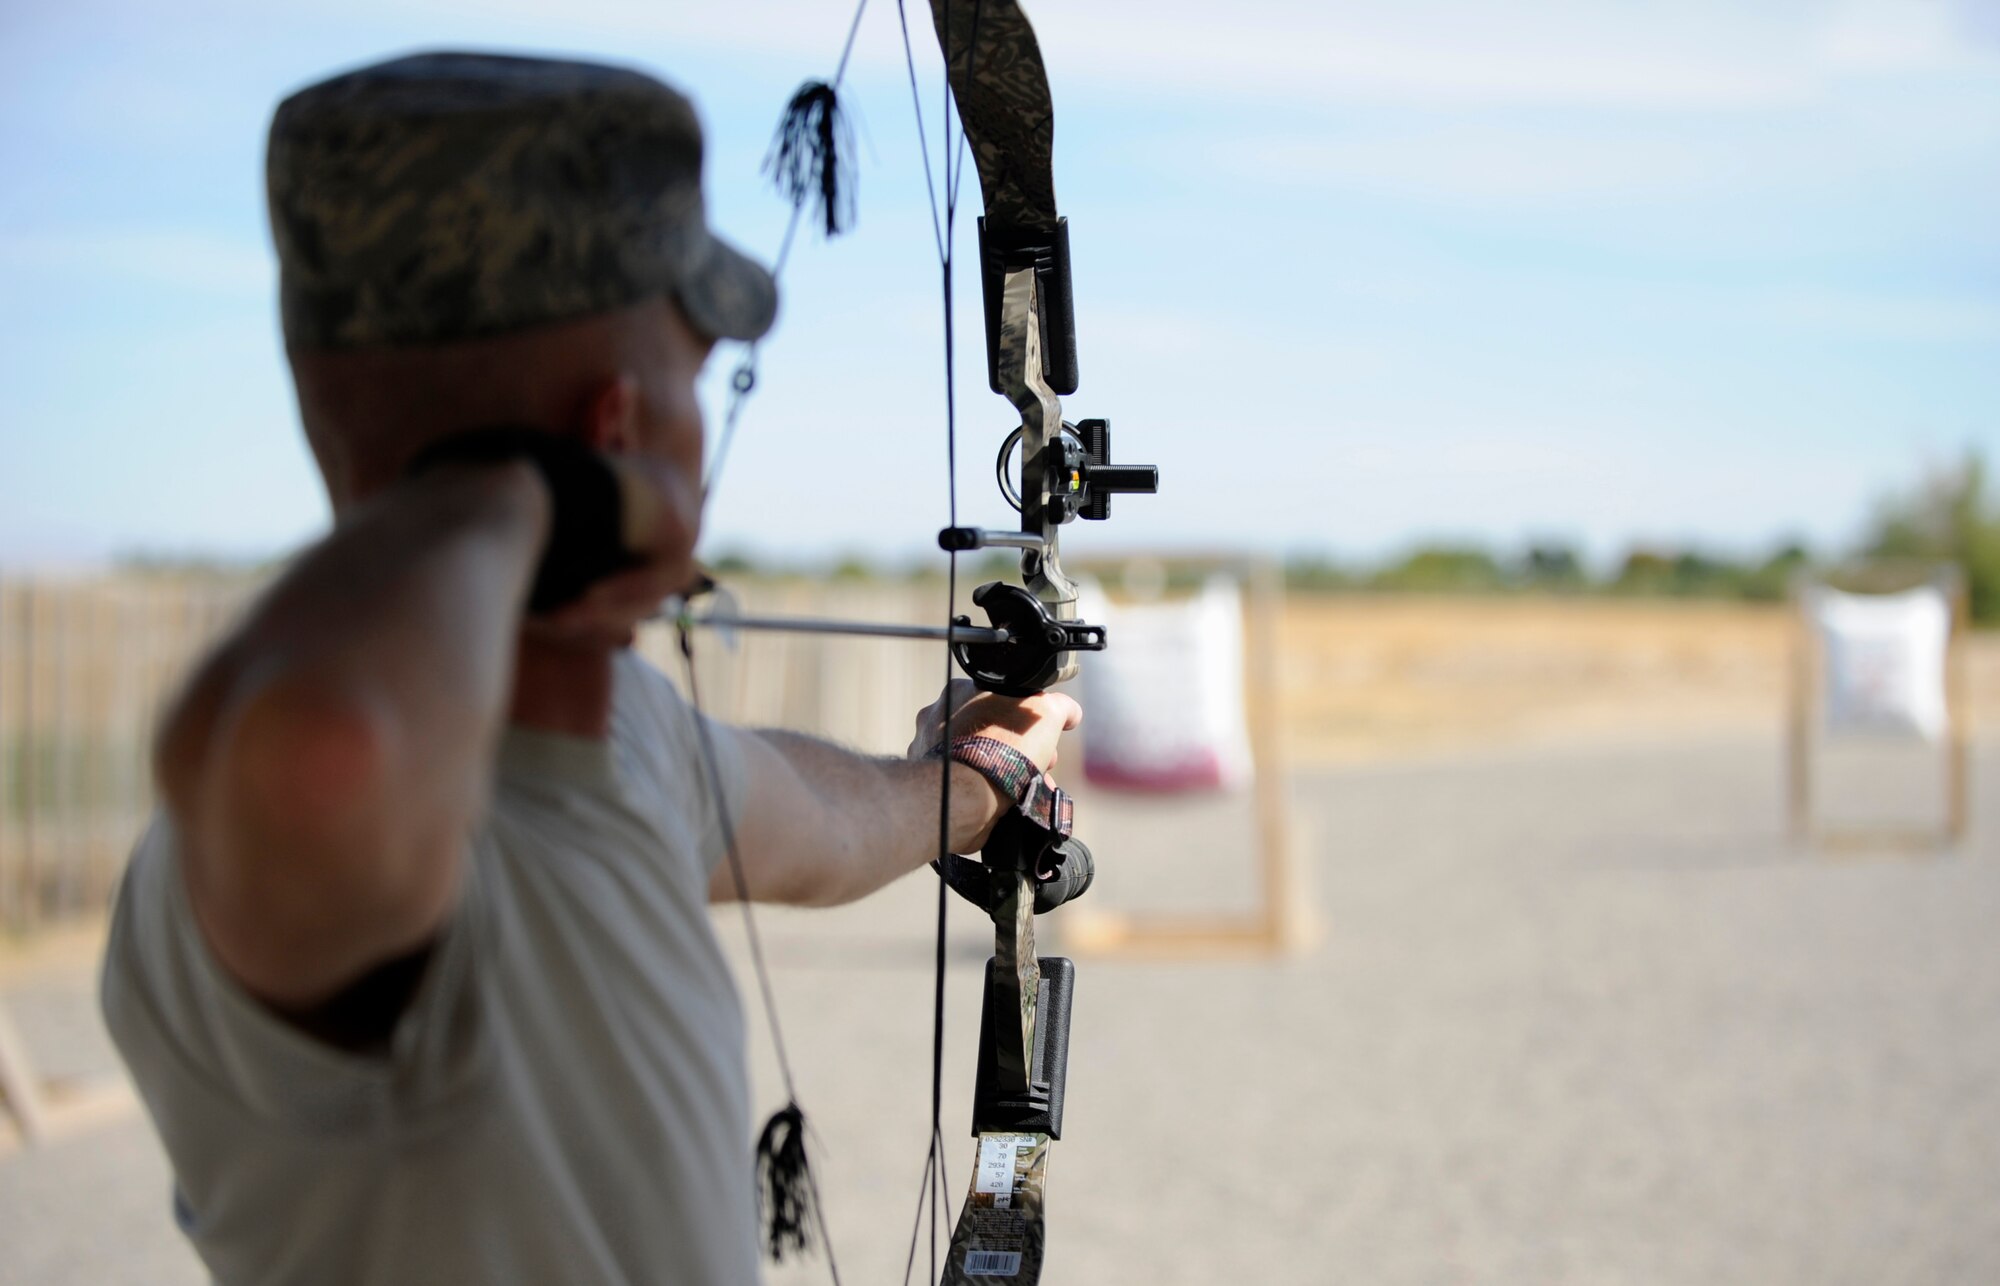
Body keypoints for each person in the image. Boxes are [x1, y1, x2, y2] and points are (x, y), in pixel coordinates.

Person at [99, 51, 1079, 1285]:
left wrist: (980, 771)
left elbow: (824, 823)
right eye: (688, 378)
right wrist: (531, 490)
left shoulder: (617, 731)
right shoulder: (278, 839)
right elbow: (320, 752)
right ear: (613, 430)